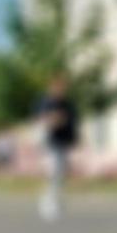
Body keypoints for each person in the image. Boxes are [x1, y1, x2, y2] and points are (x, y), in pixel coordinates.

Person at [38, 75, 79, 222]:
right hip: (51, 144)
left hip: (64, 143)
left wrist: (75, 139)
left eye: (63, 87)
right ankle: (49, 206)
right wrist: (55, 119)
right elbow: (44, 121)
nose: (61, 90)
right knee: (54, 174)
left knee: (60, 176)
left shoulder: (67, 104)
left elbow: (73, 123)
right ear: (52, 88)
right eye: (58, 87)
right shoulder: (47, 102)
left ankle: (55, 204)